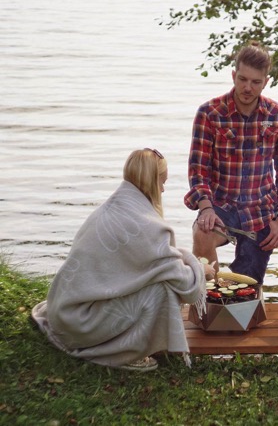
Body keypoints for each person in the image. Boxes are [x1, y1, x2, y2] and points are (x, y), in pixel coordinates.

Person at [32, 148, 215, 371]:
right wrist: (200, 269)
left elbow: (159, 263)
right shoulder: (145, 225)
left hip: (65, 314)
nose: (163, 189)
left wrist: (184, 258)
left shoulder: (115, 208)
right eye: (161, 182)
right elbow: (185, 284)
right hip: (80, 327)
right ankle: (126, 352)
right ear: (150, 180)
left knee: (158, 277)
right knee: (163, 290)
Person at [184, 41, 278, 284]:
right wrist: (205, 207)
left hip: (261, 211)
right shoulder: (210, 113)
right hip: (221, 205)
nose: (247, 87)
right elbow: (198, 169)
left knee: (246, 290)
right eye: (242, 79)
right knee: (202, 235)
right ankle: (205, 299)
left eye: (255, 82)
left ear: (266, 82)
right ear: (234, 75)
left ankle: (237, 305)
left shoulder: (277, 116)